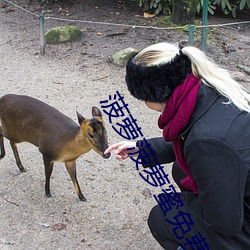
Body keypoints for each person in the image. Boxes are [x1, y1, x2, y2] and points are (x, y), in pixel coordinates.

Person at [104, 42, 250, 250]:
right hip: (240, 184)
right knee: (181, 169)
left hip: (241, 222)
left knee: (164, 217)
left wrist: (188, 207)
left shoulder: (207, 142)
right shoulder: (208, 88)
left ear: (155, 93)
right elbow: (190, 138)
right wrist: (142, 148)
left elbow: (225, 224)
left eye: (143, 97)